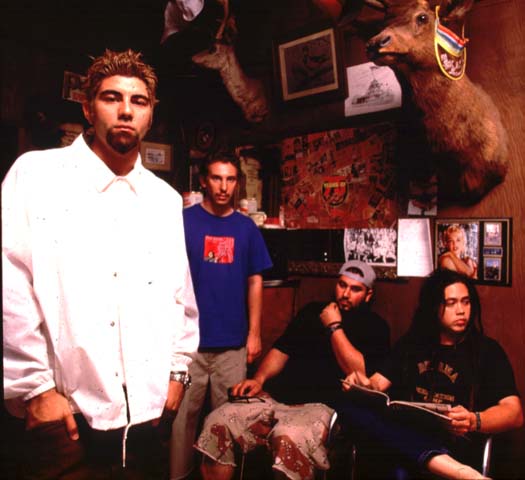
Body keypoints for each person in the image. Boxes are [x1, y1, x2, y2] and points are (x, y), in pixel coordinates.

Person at [2, 49, 200, 479]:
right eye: (112, 98)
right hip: (66, 417)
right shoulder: (36, 176)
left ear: (150, 115)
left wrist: (178, 373)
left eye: (139, 101)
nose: (126, 110)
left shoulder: (164, 200)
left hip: (148, 417)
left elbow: (179, 296)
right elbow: (9, 285)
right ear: (88, 109)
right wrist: (34, 388)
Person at [195, 260, 390, 480]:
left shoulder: (375, 327)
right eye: (342, 285)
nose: (345, 294)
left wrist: (334, 327)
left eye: (355, 289)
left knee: (288, 437)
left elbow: (359, 374)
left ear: (368, 295)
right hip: (277, 399)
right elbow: (282, 349)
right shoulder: (312, 311)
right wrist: (259, 379)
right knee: (218, 420)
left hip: (322, 407)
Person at [342, 269, 523, 479]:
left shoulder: (487, 351)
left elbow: (514, 413)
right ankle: (465, 475)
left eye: (466, 302)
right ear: (433, 306)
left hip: (455, 447)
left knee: (395, 459)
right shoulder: (412, 344)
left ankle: (449, 466)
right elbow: (376, 385)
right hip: (408, 438)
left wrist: (474, 420)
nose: (461, 311)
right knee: (350, 407)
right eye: (450, 303)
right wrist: (359, 384)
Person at [170, 151, 273, 479]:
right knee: (181, 422)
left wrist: (254, 333)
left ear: (237, 183)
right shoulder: (183, 221)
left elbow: (255, 280)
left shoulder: (246, 227)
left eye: (230, 179)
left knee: (228, 423)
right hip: (188, 346)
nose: (224, 186)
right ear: (204, 180)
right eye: (216, 178)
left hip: (232, 345)